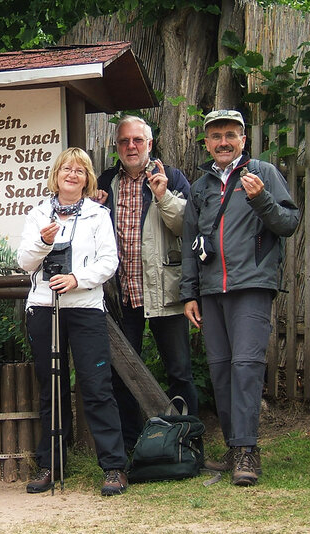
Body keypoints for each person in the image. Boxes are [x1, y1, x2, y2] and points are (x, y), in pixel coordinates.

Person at [181, 110, 299, 486]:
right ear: (207, 143)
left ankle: (248, 451)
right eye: (216, 136)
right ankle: (235, 448)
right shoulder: (200, 188)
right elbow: (190, 243)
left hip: (251, 286)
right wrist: (189, 294)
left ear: (243, 140)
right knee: (220, 369)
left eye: (230, 135)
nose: (223, 142)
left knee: (246, 366)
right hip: (211, 291)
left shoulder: (262, 173)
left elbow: (289, 223)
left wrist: (261, 199)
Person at [17, 147, 128, 496]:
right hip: (43, 308)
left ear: (87, 178)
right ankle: (51, 463)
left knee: (97, 386)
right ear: (56, 174)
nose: (72, 174)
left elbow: (109, 261)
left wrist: (77, 279)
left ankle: (113, 467)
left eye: (80, 170)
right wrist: (43, 241)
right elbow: (24, 261)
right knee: (52, 387)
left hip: (85, 308)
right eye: (67, 168)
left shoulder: (98, 215)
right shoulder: (38, 214)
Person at [97, 115, 199, 454]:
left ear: (150, 144)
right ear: (116, 146)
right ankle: (132, 447)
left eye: (137, 140)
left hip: (164, 293)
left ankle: (188, 445)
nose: (131, 146)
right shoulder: (106, 182)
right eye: (124, 141)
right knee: (123, 375)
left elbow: (187, 226)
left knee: (179, 372)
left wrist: (163, 195)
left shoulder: (171, 177)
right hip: (121, 296)